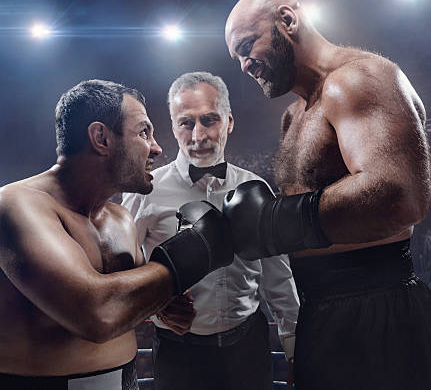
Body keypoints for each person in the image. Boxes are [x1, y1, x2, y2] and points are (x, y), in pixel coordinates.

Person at [224, 0, 431, 389]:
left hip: (378, 305)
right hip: (318, 307)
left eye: (247, 45)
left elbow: (400, 195)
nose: (243, 65)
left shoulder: (360, 78)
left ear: (287, 21)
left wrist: (270, 223)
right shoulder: (293, 116)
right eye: (237, 55)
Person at [0, 79, 235, 390]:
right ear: (101, 138)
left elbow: (133, 298)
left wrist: (164, 307)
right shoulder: (14, 207)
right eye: (144, 132)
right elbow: (98, 314)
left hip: (125, 380)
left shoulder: (121, 218)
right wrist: (195, 248)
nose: (157, 147)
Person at [122, 71, 300, 390]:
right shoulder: (144, 192)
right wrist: (157, 305)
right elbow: (122, 275)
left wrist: (293, 348)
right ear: (173, 125)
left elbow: (279, 277)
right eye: (186, 123)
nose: (198, 135)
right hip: (178, 353)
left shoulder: (254, 187)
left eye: (209, 120)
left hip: (249, 346)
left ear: (229, 121)